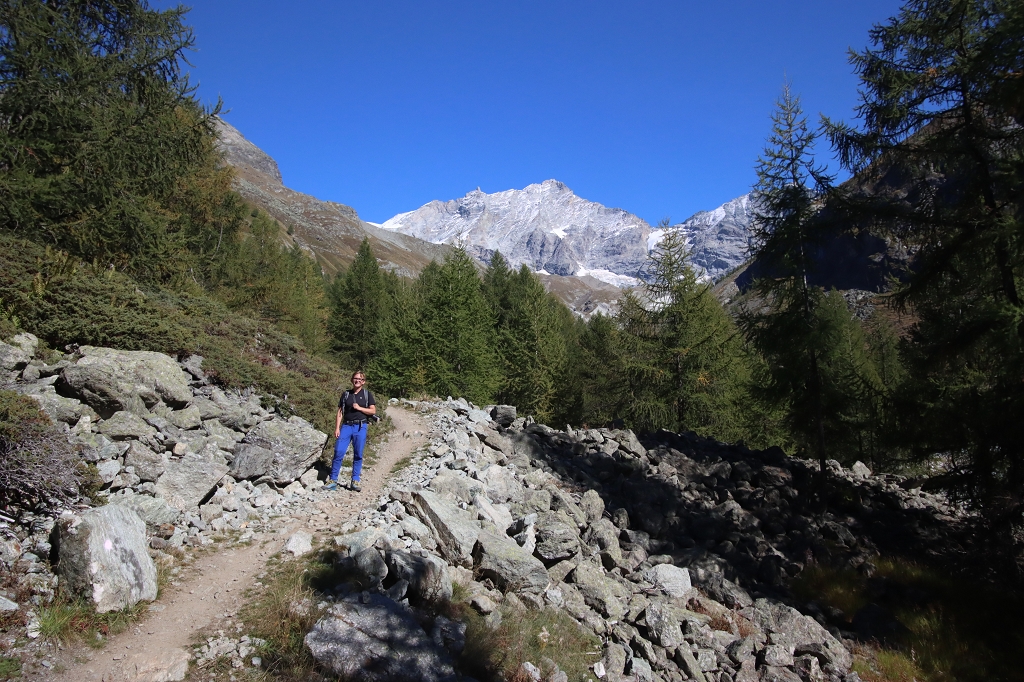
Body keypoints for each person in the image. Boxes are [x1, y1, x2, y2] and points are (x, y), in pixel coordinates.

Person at [328, 371, 376, 492]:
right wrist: (337, 428)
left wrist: (359, 408)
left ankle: (355, 480)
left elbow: (373, 411)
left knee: (358, 454)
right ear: (352, 380)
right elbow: (340, 412)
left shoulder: (367, 394)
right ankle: (332, 480)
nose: (357, 381)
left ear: (363, 382)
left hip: (361, 426)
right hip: (346, 426)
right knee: (338, 451)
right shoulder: (346, 394)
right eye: (355, 378)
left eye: (360, 379)